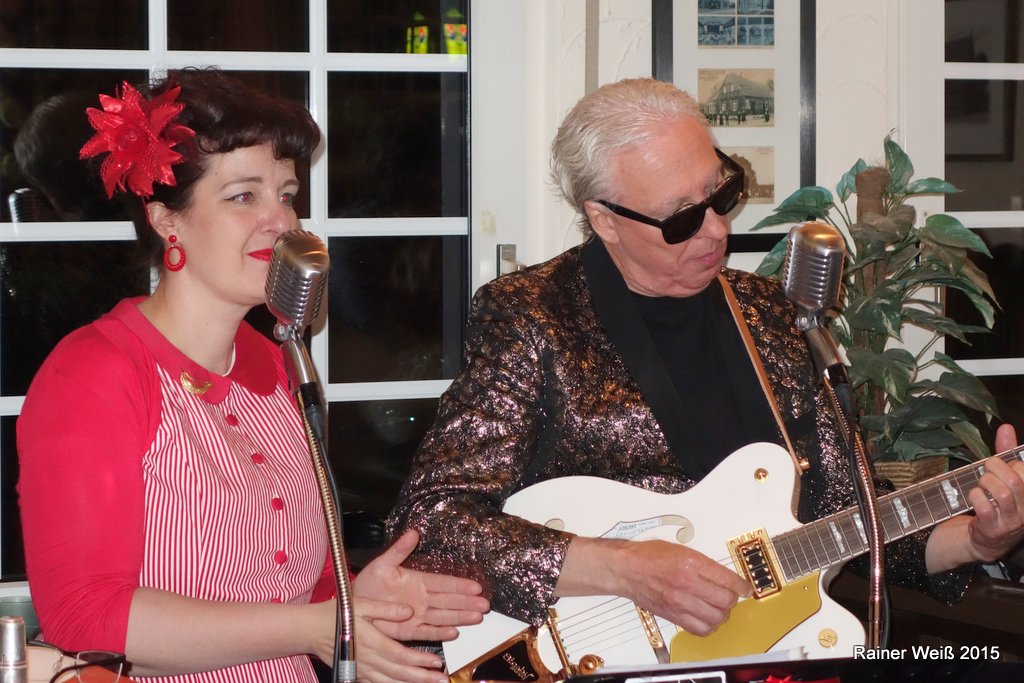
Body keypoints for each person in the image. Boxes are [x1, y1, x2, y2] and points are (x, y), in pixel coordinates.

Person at [388, 78, 1024, 658]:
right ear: (604, 218)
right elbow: (433, 521)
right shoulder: (532, 316)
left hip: (766, 654)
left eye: (722, 194)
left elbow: (846, 511)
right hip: (593, 655)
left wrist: (977, 539)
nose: (717, 230)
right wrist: (624, 568)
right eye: (682, 218)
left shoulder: (770, 313)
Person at [17, 68, 488, 683]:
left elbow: (296, 583)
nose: (282, 222)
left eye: (286, 195)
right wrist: (313, 625)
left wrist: (356, 599)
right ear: (166, 221)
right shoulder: (94, 374)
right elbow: (86, 618)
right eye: (244, 196)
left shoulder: (275, 358)